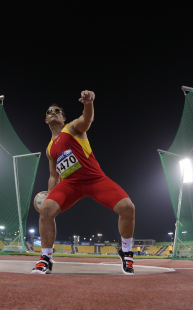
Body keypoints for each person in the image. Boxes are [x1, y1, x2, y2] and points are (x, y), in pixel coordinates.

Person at [31, 90, 136, 275]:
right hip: (70, 185)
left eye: (57, 110)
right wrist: (49, 196)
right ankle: (46, 258)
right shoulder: (49, 149)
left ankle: (126, 252)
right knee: (46, 211)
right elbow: (54, 176)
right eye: (49, 111)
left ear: (64, 118)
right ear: (46, 120)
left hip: (95, 179)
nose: (53, 112)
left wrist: (88, 103)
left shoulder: (71, 128)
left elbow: (86, 120)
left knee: (128, 207)